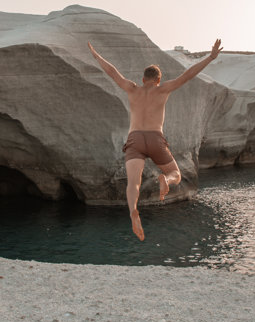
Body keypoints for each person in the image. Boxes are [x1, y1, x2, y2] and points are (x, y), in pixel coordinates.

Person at [87, 39, 223, 240]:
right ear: (158, 80)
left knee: (133, 183)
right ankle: (165, 180)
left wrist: (97, 56)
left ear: (143, 80)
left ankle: (133, 211)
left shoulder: (132, 89)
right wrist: (210, 57)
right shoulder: (163, 89)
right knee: (175, 173)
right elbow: (188, 75)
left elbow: (113, 73)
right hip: (155, 138)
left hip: (135, 139)